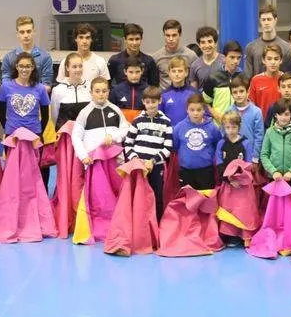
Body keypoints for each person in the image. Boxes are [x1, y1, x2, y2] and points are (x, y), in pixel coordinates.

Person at [124, 86, 173, 220]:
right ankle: (139, 225)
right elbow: (128, 143)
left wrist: (152, 161)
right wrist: (136, 160)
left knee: (157, 197)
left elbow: (167, 148)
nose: (150, 105)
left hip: (156, 167)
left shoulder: (166, 122)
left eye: (154, 101)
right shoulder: (137, 121)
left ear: (160, 101)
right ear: (143, 102)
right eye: (147, 102)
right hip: (138, 167)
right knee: (138, 197)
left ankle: (156, 227)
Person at [73, 77, 129, 163]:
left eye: (104, 91)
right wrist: (83, 156)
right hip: (93, 160)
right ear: (91, 93)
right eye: (97, 91)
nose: (101, 94)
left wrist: (113, 136)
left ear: (108, 92)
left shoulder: (116, 110)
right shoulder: (84, 113)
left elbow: (125, 130)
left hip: (115, 160)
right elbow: (76, 136)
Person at [173, 95, 222, 191]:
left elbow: (218, 145)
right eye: (192, 110)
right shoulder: (179, 127)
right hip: (186, 171)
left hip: (206, 171)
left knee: (206, 201)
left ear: (204, 110)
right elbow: (175, 147)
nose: (195, 113)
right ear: (187, 110)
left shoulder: (212, 128)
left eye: (199, 110)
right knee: (187, 201)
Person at [0, 52, 51, 140]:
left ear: (32, 67)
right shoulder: (5, 87)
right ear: (16, 66)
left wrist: (38, 133)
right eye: (21, 66)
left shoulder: (41, 88)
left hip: (34, 135)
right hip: (12, 135)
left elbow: (45, 117)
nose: (24, 69)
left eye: (28, 66)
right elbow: (1, 115)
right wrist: (9, 130)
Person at [261, 99, 291, 184]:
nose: (283, 118)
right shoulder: (269, 132)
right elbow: (264, 155)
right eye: (280, 114)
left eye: (286, 114)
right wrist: (273, 171)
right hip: (274, 177)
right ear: (276, 115)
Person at [1, 16, 54, 88]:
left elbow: (47, 85)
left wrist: (29, 94)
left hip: (36, 98)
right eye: (22, 32)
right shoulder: (9, 58)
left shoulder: (45, 57)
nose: (26, 35)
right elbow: (6, 84)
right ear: (17, 34)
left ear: (34, 32)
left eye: (28, 31)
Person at [202, 41, 246, 123]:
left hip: (239, 127)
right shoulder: (213, 78)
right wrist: (216, 115)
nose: (236, 61)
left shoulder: (244, 78)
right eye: (232, 57)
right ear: (224, 58)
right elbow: (204, 102)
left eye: (238, 58)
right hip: (218, 128)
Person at [244, 5, 290, 77]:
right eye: (263, 20)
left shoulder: (286, 48)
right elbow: (247, 76)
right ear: (260, 21)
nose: (266, 23)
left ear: (275, 20)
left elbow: (288, 75)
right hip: (257, 86)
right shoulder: (251, 47)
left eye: (269, 19)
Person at [108, 23, 159, 87]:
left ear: (141, 39)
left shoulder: (149, 61)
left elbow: (154, 87)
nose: (134, 43)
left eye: (137, 39)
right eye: (131, 39)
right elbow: (107, 85)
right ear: (125, 40)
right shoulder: (114, 60)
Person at [50, 53, 91, 130]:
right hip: (65, 135)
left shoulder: (90, 88)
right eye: (74, 67)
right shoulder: (57, 90)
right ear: (67, 68)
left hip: (86, 134)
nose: (78, 69)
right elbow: (54, 116)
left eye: (80, 66)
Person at [152, 19, 197, 89]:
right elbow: (153, 83)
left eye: (174, 35)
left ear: (180, 34)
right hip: (164, 97)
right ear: (164, 35)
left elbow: (195, 80)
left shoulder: (191, 56)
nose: (171, 39)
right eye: (167, 35)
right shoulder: (156, 57)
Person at [227, 76, 263, 163]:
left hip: (249, 156)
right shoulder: (228, 111)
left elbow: (259, 136)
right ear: (231, 94)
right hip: (232, 155)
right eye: (235, 92)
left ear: (248, 91)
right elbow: (224, 133)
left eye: (241, 91)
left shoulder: (256, 112)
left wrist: (255, 158)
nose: (238, 95)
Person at [159, 57, 200, 127]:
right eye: (173, 71)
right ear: (169, 73)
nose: (177, 74)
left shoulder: (194, 93)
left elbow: (203, 115)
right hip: (170, 134)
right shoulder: (163, 95)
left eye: (180, 71)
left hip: (190, 133)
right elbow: (159, 117)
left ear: (186, 72)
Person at [248, 46, 284, 119]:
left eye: (276, 59)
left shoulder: (286, 79)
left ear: (281, 60)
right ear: (263, 60)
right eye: (269, 59)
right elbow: (251, 106)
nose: (273, 62)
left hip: (283, 124)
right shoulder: (256, 80)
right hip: (262, 125)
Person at [216, 110, 253, 179]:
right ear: (224, 127)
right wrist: (228, 178)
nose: (230, 130)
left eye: (234, 127)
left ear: (239, 127)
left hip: (242, 181)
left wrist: (239, 178)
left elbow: (248, 164)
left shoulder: (246, 143)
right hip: (226, 180)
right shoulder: (221, 143)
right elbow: (219, 163)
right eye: (228, 127)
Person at [109, 56, 147, 122]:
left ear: (142, 71)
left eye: (137, 72)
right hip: (122, 127)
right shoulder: (116, 90)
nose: (134, 76)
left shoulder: (148, 90)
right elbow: (111, 112)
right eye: (131, 72)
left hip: (141, 127)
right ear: (125, 72)